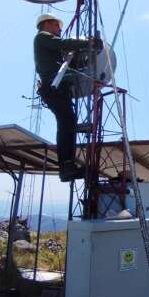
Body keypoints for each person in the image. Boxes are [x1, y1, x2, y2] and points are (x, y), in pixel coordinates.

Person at [33, 13, 102, 181]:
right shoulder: (42, 37)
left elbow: (69, 65)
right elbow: (62, 44)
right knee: (66, 123)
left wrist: (88, 60)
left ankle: (68, 165)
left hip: (58, 88)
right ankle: (66, 167)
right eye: (58, 26)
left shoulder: (51, 48)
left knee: (68, 123)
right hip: (53, 86)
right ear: (48, 24)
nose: (60, 30)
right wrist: (88, 43)